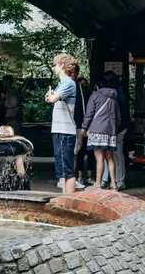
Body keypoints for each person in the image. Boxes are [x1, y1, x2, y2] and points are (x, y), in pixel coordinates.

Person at [45, 54, 78, 195]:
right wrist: (50, 96)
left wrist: (51, 96)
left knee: (67, 169)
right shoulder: (62, 84)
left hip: (65, 130)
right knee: (62, 168)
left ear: (62, 65)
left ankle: (69, 200)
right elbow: (52, 98)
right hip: (60, 129)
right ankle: (65, 198)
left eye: (56, 64)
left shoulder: (68, 83)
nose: (54, 67)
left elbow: (53, 98)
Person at [82, 76, 121, 190]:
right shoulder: (114, 98)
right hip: (110, 131)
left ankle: (98, 184)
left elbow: (89, 114)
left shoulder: (95, 96)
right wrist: (114, 129)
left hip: (97, 129)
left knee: (99, 157)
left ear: (97, 86)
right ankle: (113, 184)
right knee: (110, 157)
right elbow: (118, 117)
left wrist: (84, 127)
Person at [70, 65, 87, 190]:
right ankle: (71, 177)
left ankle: (70, 177)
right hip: (76, 122)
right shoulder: (74, 86)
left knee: (75, 150)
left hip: (75, 122)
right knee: (75, 150)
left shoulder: (76, 85)